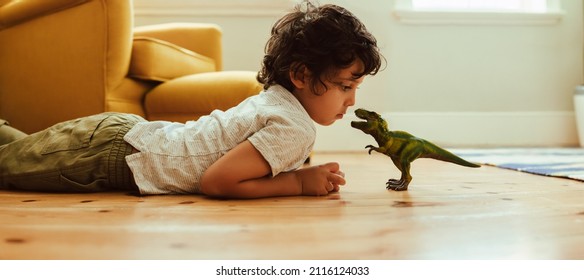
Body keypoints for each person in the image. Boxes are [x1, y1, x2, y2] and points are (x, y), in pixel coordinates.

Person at [0, 1, 383, 198]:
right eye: (345, 87)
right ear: (301, 75)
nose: (349, 102)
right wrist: (298, 184)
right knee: (7, 167)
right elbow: (218, 181)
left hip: (123, 140)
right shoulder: (294, 127)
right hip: (109, 158)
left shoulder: (276, 100)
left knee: (22, 150)